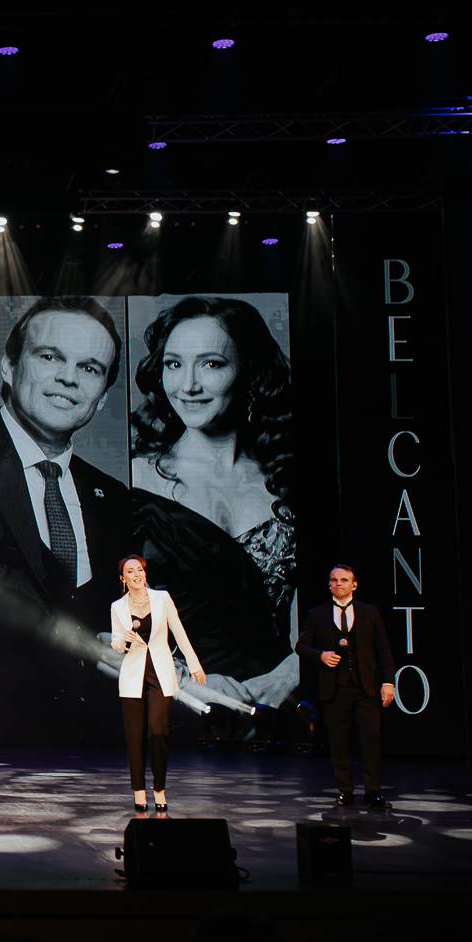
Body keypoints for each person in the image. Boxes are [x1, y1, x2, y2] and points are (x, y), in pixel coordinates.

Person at [129, 295, 300, 725]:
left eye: (210, 364)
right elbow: (101, 627)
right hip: (175, 711)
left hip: (281, 708)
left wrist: (294, 672)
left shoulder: (290, 479)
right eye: (173, 364)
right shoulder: (134, 483)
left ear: (249, 371)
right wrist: (185, 682)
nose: (187, 385)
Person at [0, 296, 132, 743]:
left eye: (90, 368)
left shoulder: (114, 496)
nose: (69, 378)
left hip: (97, 745)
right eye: (50, 357)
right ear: (9, 366)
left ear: (102, 398)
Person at [108, 554, 205, 813]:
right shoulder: (118, 606)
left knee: (157, 731)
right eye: (131, 571)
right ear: (123, 578)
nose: (137, 574)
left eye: (140, 569)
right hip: (133, 675)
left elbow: (178, 630)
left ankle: (159, 787)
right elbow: (116, 644)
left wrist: (194, 664)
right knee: (135, 737)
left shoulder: (162, 598)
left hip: (160, 673)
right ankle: (139, 790)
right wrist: (125, 640)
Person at [294, 564, 396, 808]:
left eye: (343, 580)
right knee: (339, 742)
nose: (338, 584)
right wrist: (321, 655)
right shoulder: (317, 614)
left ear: (354, 584)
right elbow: (301, 646)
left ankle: (373, 792)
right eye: (334, 580)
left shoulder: (369, 612)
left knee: (371, 739)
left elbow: (382, 648)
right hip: (335, 688)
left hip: (366, 687)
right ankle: (345, 790)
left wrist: (388, 682)